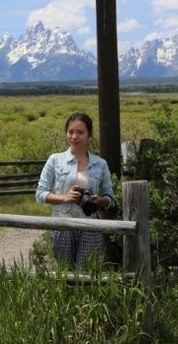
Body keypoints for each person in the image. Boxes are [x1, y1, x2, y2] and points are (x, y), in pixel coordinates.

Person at [36, 112, 115, 269]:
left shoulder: (100, 164)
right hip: (62, 224)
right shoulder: (55, 160)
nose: (74, 136)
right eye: (70, 131)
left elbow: (110, 199)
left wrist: (99, 200)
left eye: (80, 132)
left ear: (89, 135)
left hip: (91, 225)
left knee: (87, 273)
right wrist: (65, 198)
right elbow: (40, 194)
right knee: (65, 272)